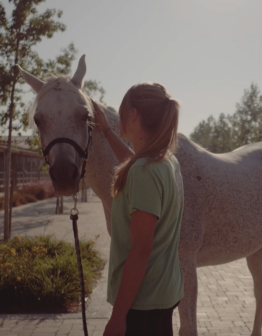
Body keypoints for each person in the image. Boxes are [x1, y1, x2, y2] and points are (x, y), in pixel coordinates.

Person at [92, 82, 184, 336]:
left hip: (142, 303)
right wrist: (107, 131)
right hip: (164, 291)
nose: (119, 116)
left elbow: (141, 249)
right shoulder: (167, 162)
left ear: (133, 114)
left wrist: (118, 317)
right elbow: (133, 162)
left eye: (122, 111)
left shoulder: (144, 172)